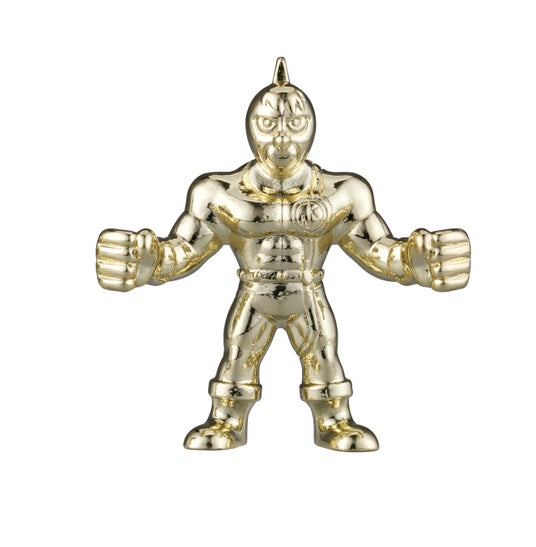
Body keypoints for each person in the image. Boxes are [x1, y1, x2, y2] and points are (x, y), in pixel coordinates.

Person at [96, 58, 470, 451]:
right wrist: (149, 259)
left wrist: (414, 259)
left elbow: (377, 251)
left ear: (311, 127)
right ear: (250, 127)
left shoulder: (343, 192)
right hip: (254, 292)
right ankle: (226, 420)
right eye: (268, 123)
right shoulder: (219, 193)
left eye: (295, 123)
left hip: (308, 292)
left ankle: (334, 421)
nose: (281, 138)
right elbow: (184, 251)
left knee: (323, 355)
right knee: (238, 355)